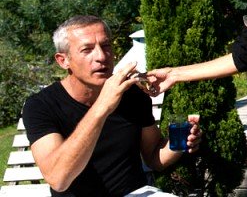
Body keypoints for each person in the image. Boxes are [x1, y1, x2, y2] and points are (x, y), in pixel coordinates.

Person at [22, 15, 201, 196]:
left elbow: (154, 157)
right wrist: (102, 106)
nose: (101, 56)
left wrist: (178, 143)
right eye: (87, 50)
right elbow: (59, 179)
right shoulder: (40, 106)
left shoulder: (132, 95)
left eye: (106, 45)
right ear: (63, 60)